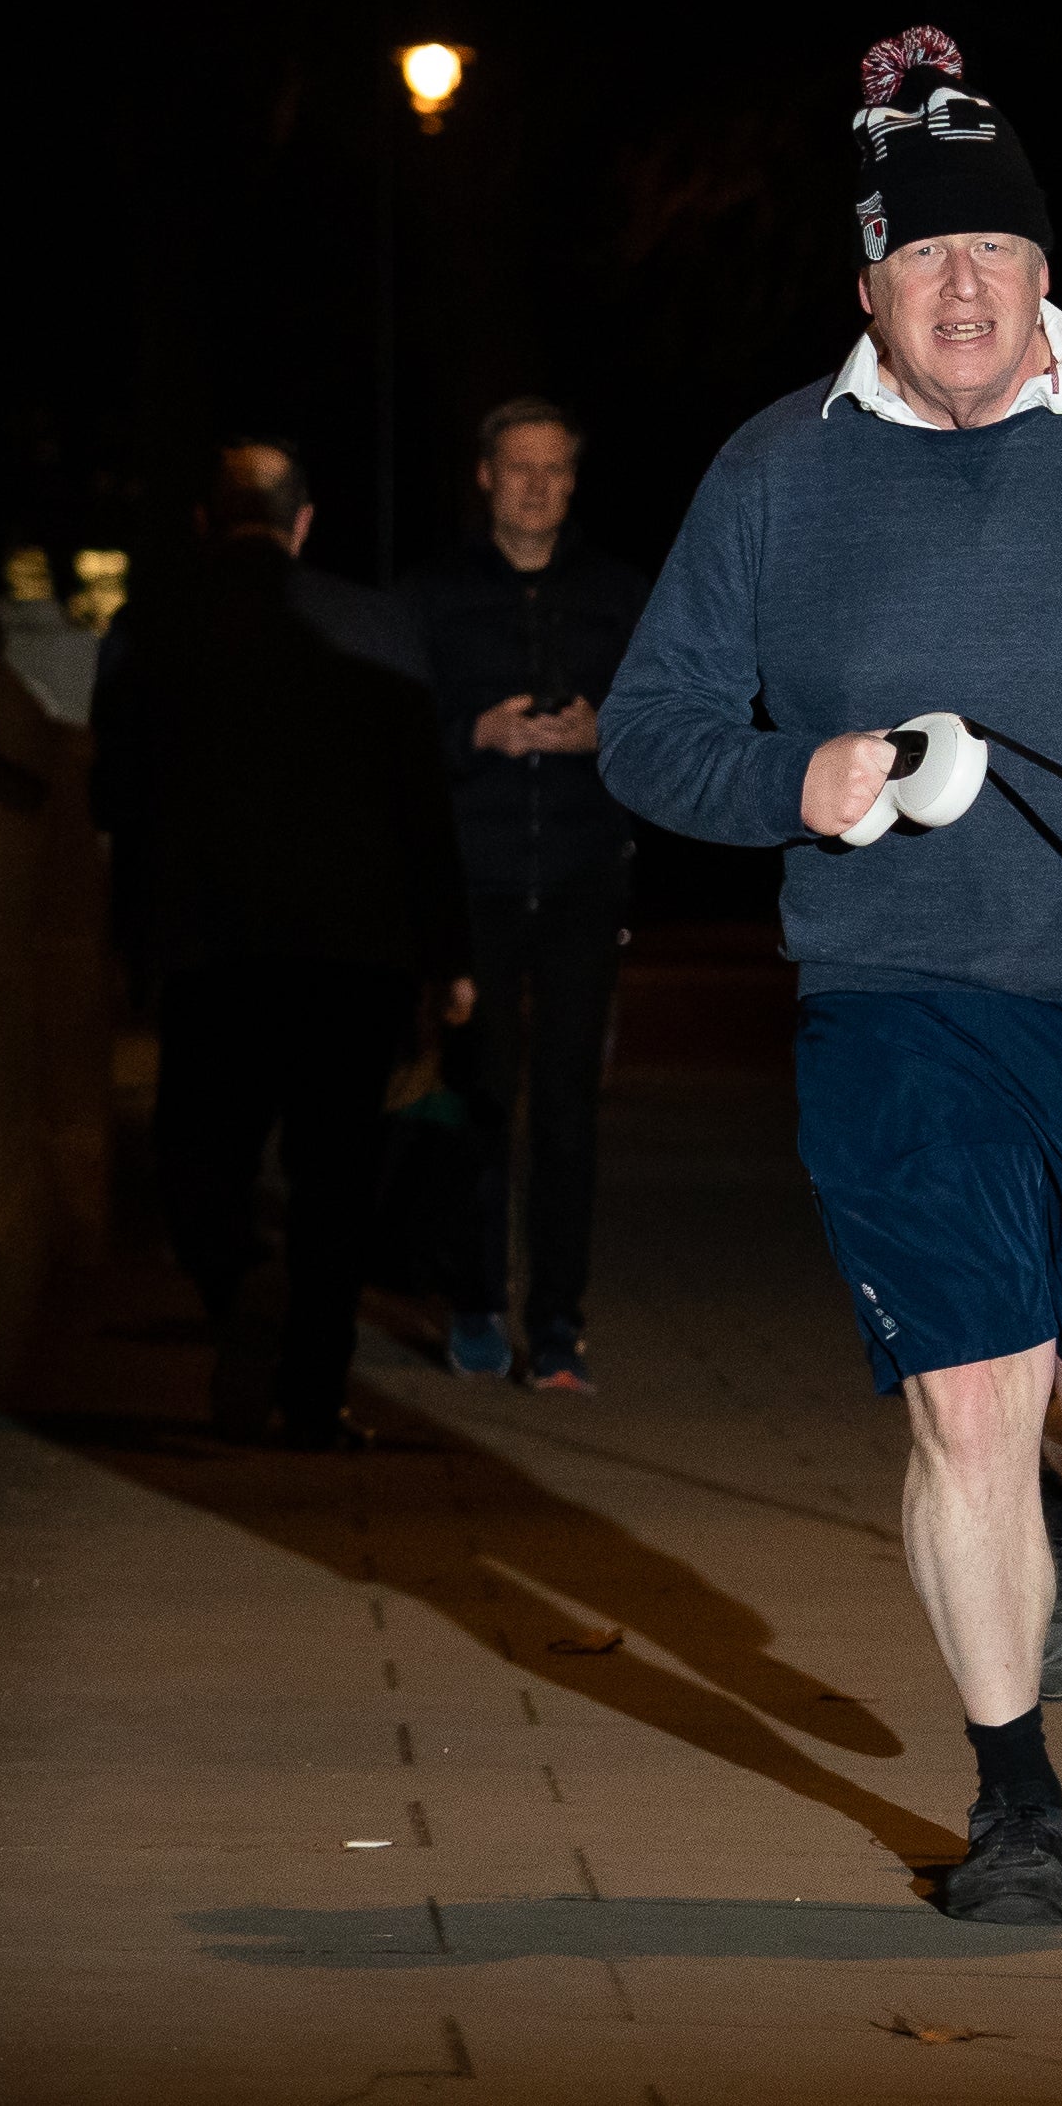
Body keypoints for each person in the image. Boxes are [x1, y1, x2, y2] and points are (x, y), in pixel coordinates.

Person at [598, 28, 1062, 1923]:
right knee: (967, 1394)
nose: (967, 288)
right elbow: (649, 730)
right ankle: (1017, 1800)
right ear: (869, 286)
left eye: (1000, 255)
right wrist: (801, 780)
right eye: (927, 259)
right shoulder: (776, 469)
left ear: (1046, 274)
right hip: (895, 1002)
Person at [89, 438, 469, 1448]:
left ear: (207, 521)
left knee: (198, 1157)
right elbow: (422, 806)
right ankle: (312, 1398)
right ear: (302, 523)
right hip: (357, 950)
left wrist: (135, 936)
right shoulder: (378, 628)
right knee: (333, 1176)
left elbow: (112, 798)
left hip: (213, 946)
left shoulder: (146, 629)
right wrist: (448, 954)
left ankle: (238, 1277)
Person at [403, 399, 650, 1392]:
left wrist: (606, 736)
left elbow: (678, 727)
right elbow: (385, 739)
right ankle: (473, 1301)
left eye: (554, 468)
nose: (537, 485)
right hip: (475, 879)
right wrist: (475, 735)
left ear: (573, 480)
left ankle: (555, 1328)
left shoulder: (621, 595)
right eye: (518, 467)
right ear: (484, 475)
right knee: (481, 1097)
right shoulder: (426, 596)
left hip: (586, 875)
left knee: (568, 1114)